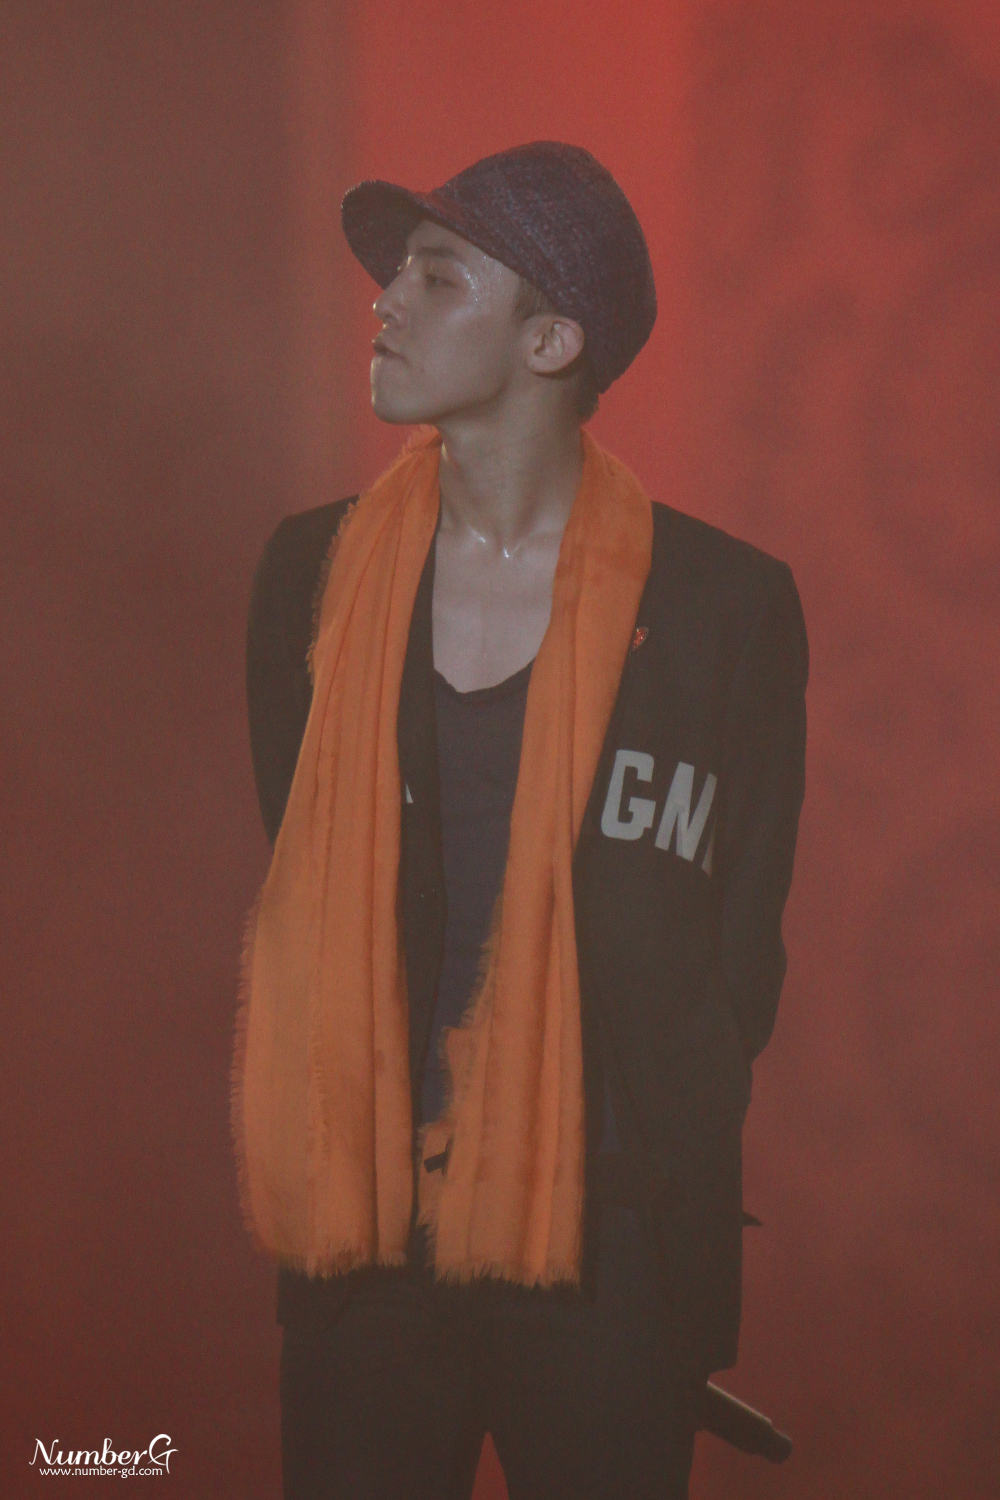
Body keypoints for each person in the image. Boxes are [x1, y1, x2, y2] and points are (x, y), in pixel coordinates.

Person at [235, 142, 809, 1500]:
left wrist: (630, 1148)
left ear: (552, 341)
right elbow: (300, 863)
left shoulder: (727, 607)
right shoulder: (309, 572)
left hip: (614, 1248)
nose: (386, 300)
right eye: (396, 272)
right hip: (368, 1241)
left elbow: (742, 939)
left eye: (438, 277)